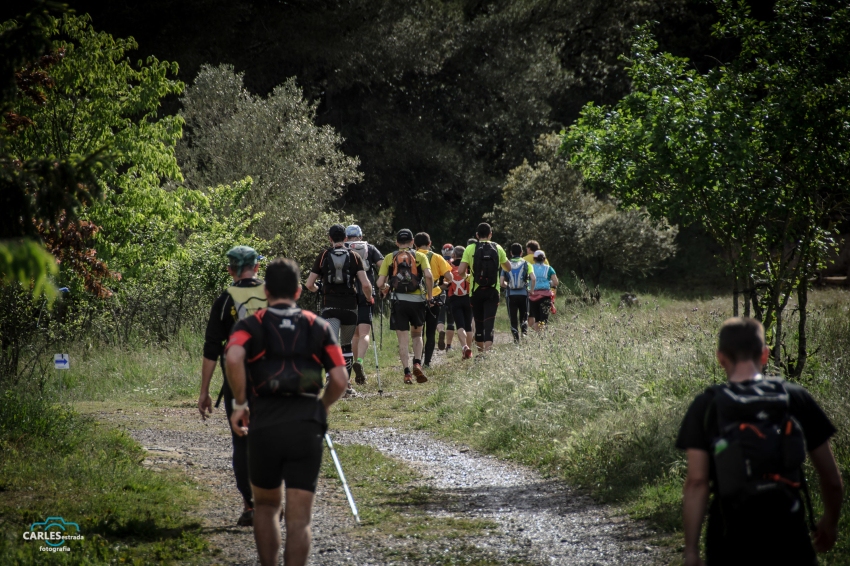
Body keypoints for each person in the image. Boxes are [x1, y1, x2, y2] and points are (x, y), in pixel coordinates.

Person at [677, 318, 843, 566]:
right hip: (789, 536)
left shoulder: (707, 405)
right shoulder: (795, 397)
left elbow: (696, 483)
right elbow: (831, 479)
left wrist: (691, 551)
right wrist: (830, 522)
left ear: (721, 358)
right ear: (765, 354)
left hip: (728, 540)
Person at [225, 259, 348, 566]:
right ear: (298, 291)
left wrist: (240, 403)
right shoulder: (318, 326)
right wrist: (321, 406)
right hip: (306, 424)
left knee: (266, 507)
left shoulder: (250, 325)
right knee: (299, 519)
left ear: (266, 291)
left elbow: (234, 356)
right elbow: (340, 379)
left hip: (264, 422)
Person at [198, 245, 267, 526]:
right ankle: (270, 500)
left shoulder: (224, 300)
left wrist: (204, 391)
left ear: (230, 270)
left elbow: (211, 348)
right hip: (272, 380)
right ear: (257, 267)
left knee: (242, 440)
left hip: (237, 382)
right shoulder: (274, 295)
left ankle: (250, 505)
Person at [305, 224, 374, 394]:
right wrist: (369, 298)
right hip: (350, 307)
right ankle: (347, 385)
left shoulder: (323, 255)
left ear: (329, 238)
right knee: (346, 346)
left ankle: (331, 378)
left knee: (331, 343)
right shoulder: (354, 256)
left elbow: (309, 284)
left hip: (330, 306)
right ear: (345, 238)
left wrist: (319, 289)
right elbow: (366, 285)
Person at [375, 229, 434, 384]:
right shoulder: (420, 256)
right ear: (412, 241)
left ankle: (407, 373)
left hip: (398, 302)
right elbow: (428, 276)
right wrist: (430, 296)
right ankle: (417, 363)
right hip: (417, 302)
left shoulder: (390, 257)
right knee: (417, 334)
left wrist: (386, 287)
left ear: (396, 243)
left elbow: (380, 283)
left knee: (402, 339)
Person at [458, 223, 512, 353]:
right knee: (489, 322)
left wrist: (468, 278)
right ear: (490, 234)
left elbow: (460, 271)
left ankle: (481, 353)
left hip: (475, 291)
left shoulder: (470, 248)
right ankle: (488, 353)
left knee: (478, 322)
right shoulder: (497, 248)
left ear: (477, 235)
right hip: (493, 290)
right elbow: (508, 268)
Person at [344, 224, 383, 385]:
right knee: (364, 333)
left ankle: (354, 363)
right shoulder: (369, 248)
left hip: (348, 295)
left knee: (354, 334)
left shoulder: (343, 249)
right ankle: (359, 361)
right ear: (360, 236)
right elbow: (383, 266)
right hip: (366, 294)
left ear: (346, 237)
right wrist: (383, 283)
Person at [415, 232, 453, 368]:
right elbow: (450, 277)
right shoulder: (437, 257)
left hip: (416, 298)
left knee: (417, 333)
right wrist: (442, 283)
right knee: (430, 332)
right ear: (429, 244)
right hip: (434, 297)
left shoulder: (412, 256)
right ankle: (427, 363)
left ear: (415, 244)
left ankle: (417, 361)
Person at [442, 245, 474, 359]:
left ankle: (464, 346)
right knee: (468, 325)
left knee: (460, 325)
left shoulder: (449, 265)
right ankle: (469, 350)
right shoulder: (469, 266)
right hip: (468, 297)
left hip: (454, 298)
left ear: (454, 255)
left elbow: (445, 282)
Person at [501, 243, 535, 342]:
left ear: (511, 253)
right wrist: (531, 290)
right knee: (524, 318)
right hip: (524, 294)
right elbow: (533, 278)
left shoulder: (505, 264)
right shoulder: (527, 264)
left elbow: (501, 282)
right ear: (521, 252)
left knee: (513, 318)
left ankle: (516, 340)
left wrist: (509, 286)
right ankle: (524, 337)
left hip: (510, 295)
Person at [527, 250, 558, 331]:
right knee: (544, 319)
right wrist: (548, 283)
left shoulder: (530, 267)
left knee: (537, 318)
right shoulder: (549, 268)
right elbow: (556, 282)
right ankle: (542, 335)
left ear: (534, 259)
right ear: (544, 259)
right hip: (545, 296)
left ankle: (538, 335)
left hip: (533, 296)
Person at [437, 243, 455, 352]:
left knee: (440, 318)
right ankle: (449, 346)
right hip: (452, 293)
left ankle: (440, 331)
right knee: (451, 321)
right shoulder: (454, 262)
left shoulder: (439, 261)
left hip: (440, 292)